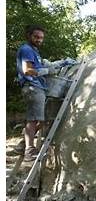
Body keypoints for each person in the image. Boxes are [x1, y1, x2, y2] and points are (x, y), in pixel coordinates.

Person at [15, 24, 59, 161]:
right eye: (36, 37)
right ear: (29, 36)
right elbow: (27, 70)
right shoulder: (27, 49)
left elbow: (37, 66)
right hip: (32, 87)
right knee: (34, 119)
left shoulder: (33, 51)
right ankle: (29, 151)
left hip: (37, 87)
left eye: (41, 38)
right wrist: (47, 71)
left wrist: (51, 65)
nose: (39, 40)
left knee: (41, 119)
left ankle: (22, 145)